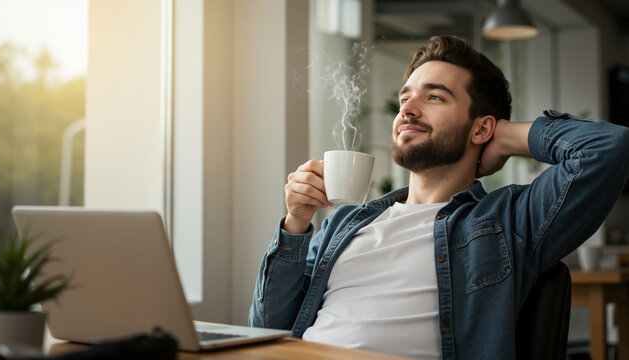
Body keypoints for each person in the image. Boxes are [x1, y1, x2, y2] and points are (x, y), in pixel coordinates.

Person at [248, 35, 629, 359]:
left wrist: (506, 136)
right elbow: (266, 332)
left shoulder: (506, 220)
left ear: (482, 127)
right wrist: (296, 223)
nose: (407, 111)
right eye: (404, 99)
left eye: (434, 97)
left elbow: (607, 148)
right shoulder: (344, 223)